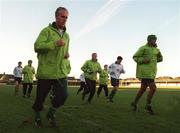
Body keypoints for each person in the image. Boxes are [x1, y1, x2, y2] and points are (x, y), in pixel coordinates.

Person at [32, 7, 70, 127]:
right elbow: (37, 46)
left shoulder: (67, 35)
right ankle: (37, 116)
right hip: (46, 72)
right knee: (40, 99)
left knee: (64, 95)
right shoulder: (46, 31)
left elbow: (64, 51)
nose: (65, 19)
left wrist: (66, 55)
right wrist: (54, 43)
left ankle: (51, 113)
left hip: (60, 72)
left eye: (67, 17)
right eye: (63, 16)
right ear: (56, 17)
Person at [131, 34, 163, 115]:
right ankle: (148, 105)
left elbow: (160, 59)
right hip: (145, 72)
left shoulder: (157, 50)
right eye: (153, 39)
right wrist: (143, 60)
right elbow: (135, 57)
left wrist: (160, 56)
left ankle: (134, 103)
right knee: (153, 88)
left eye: (155, 39)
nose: (155, 41)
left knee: (142, 90)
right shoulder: (143, 48)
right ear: (149, 40)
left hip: (152, 72)